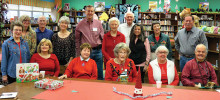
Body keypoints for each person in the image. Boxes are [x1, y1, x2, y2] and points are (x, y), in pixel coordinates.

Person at [75, 5, 104, 80]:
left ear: (94, 12)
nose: (90, 13)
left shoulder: (98, 23)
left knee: (100, 72)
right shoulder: (80, 24)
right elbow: (77, 40)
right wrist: (78, 54)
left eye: (92, 11)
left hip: (98, 51)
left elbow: (103, 38)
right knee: (87, 72)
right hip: (86, 52)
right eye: (88, 11)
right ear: (85, 12)